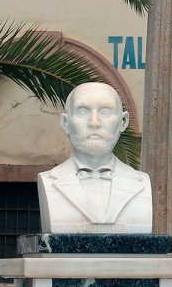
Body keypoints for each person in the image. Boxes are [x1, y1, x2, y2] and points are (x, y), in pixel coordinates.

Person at [37, 82, 152, 233]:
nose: (94, 123)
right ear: (65, 123)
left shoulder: (141, 182)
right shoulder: (49, 182)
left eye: (105, 111)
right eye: (82, 111)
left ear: (123, 122)